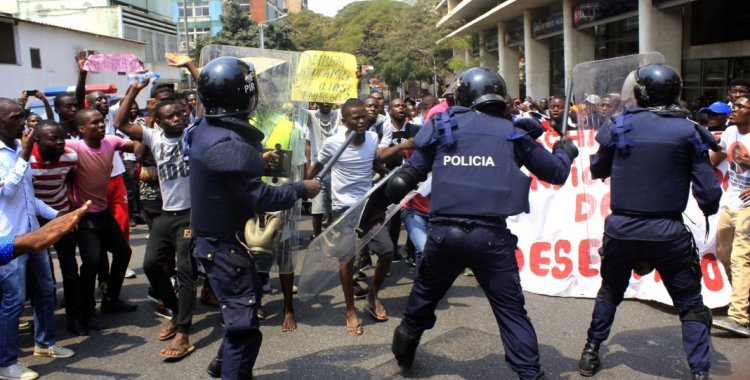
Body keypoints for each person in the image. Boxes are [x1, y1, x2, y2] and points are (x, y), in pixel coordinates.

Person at [370, 67, 575, 379]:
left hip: (443, 236)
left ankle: (404, 350)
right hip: (491, 238)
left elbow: (405, 180)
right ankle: (530, 374)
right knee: (511, 312)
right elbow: (556, 174)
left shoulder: (443, 124)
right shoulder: (514, 132)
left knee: (424, 297)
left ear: (464, 95)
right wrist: (564, 151)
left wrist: (373, 212)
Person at [580, 64, 721, 379]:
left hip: (622, 229)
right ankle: (700, 371)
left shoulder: (618, 125)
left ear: (640, 92)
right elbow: (709, 193)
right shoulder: (689, 130)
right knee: (689, 303)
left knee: (610, 292)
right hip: (667, 232)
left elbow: (599, 169)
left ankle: (590, 351)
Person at [187, 57, 320, 380]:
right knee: (245, 328)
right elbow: (260, 197)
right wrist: (302, 188)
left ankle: (221, 363)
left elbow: (223, 168)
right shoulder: (227, 143)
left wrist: (257, 160)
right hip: (226, 247)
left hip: (218, 242)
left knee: (241, 309)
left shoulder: (203, 128)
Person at [115, 79, 198, 360]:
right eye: (168, 116)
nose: (175, 118)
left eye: (178, 113)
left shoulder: (194, 132)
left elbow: (208, 107)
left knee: (186, 270)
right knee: (151, 265)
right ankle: (176, 312)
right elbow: (121, 123)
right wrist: (134, 91)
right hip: (167, 213)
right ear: (157, 121)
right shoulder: (153, 137)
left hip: (191, 214)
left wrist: (189, 67)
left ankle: (184, 332)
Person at [0, 98, 76, 380]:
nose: (23, 122)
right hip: (9, 240)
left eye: (23, 116)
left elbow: (28, 198)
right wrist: (23, 156)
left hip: (34, 234)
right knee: (14, 300)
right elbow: (7, 192)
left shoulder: (16, 149)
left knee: (46, 291)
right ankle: (7, 362)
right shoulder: (14, 153)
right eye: (16, 116)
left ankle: (44, 342)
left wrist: (61, 216)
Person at [307, 98, 393, 335]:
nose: (362, 120)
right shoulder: (333, 143)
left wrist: (392, 176)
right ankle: (350, 309)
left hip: (368, 206)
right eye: (356, 117)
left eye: (364, 116)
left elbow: (375, 163)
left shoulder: (373, 138)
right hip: (343, 208)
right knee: (346, 259)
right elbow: (317, 168)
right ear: (344, 121)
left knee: (386, 252)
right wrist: (306, 185)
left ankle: (372, 295)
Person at [66, 109, 139, 330]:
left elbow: (136, 146)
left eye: (102, 122)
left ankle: (111, 300)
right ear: (81, 129)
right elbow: (64, 175)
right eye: (94, 123)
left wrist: (143, 135)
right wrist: (72, 203)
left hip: (103, 213)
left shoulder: (111, 141)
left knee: (123, 251)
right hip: (86, 217)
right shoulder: (75, 148)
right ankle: (87, 312)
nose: (100, 126)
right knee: (92, 264)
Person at [28, 120, 88, 336]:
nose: (59, 142)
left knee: (71, 270)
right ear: (38, 141)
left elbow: (71, 179)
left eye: (61, 137)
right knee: (40, 273)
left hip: (62, 218)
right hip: (36, 223)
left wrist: (71, 201)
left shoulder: (70, 157)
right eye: (52, 139)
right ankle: (43, 321)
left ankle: (75, 317)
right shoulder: (27, 160)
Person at [711, 95, 750, 338]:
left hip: (747, 208)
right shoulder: (729, 132)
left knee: (740, 258)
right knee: (723, 253)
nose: (732, 110)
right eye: (733, 106)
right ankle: (742, 300)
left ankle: (739, 317)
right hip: (729, 203)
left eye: (739, 107)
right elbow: (714, 159)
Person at [0, 201, 91, 266]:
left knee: (46, 284)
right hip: (10, 233)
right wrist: (33, 240)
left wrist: (55, 214)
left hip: (30, 229)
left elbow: (30, 199)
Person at [305, 102, 341, 239]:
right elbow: (297, 109)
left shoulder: (340, 114)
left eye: (329, 99)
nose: (326, 102)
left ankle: (337, 236)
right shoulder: (311, 116)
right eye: (322, 98)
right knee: (317, 207)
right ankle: (317, 237)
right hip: (317, 170)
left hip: (337, 169)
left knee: (337, 205)